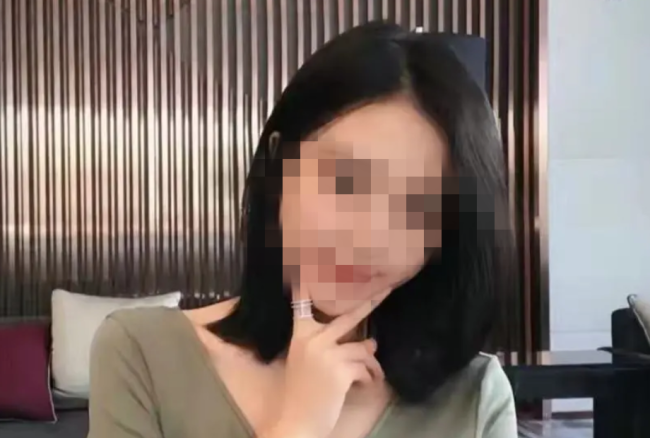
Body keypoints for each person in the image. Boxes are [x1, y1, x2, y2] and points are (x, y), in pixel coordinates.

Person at [87, 21, 517, 438]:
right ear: (277, 166)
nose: (368, 239)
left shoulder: (474, 397)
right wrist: (299, 425)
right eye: (344, 182)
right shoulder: (144, 356)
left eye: (417, 207)